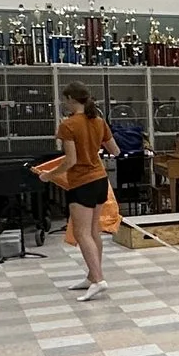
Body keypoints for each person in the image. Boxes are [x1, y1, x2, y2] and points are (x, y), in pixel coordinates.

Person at [56, 83, 114, 300]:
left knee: (82, 233)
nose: (64, 103)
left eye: (65, 99)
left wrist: (49, 175)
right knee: (92, 231)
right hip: (100, 180)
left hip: (81, 183)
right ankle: (92, 276)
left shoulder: (68, 125)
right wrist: (92, 150)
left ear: (71, 99)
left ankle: (98, 280)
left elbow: (70, 161)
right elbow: (115, 150)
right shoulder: (99, 121)